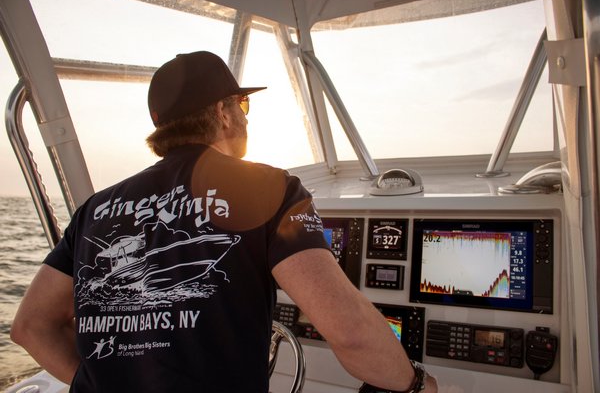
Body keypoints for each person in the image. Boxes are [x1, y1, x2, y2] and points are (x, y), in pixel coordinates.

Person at [11, 51, 437, 392]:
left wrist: (93, 383)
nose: (246, 115)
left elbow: (30, 326)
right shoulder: (269, 188)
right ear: (224, 111)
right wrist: (416, 384)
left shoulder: (94, 208)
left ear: (161, 125)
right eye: (242, 103)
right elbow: (351, 331)